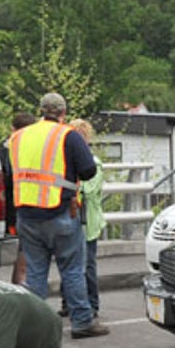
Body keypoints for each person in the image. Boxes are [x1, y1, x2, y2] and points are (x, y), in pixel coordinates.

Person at [9, 93, 107, 338]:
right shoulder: (67, 135)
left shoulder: (18, 137)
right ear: (63, 112)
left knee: (35, 272)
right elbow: (88, 170)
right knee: (72, 270)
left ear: (41, 110)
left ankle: (33, 326)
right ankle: (82, 322)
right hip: (61, 212)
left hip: (27, 213)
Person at [69, 118, 107, 317]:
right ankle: (70, 304)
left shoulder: (95, 164)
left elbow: (89, 190)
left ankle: (92, 304)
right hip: (73, 220)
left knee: (87, 266)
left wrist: (72, 185)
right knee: (69, 265)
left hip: (88, 222)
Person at [0, 111, 38, 286]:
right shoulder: (17, 150)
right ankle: (20, 289)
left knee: (23, 254)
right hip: (22, 207)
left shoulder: (2, 149)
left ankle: (19, 287)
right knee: (23, 254)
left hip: (12, 208)